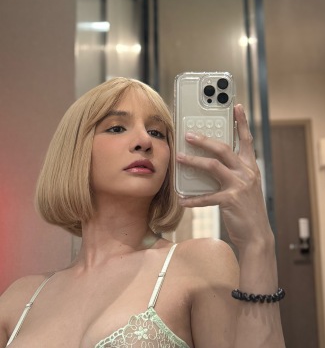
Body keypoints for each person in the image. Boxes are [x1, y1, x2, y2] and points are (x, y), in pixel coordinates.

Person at [0, 77, 285, 347]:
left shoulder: (200, 263)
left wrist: (257, 242)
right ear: (74, 150)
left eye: (157, 133)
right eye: (116, 128)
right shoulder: (19, 298)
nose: (144, 142)